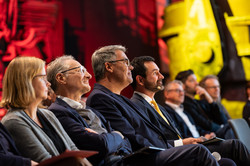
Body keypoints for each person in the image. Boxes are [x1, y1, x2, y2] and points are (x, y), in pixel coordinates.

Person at [86, 45, 223, 166]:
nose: (131, 67)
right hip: (139, 158)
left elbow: (148, 135)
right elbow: (131, 137)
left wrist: (179, 144)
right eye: (126, 62)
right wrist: (174, 147)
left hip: (155, 151)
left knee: (226, 160)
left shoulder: (121, 99)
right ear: (109, 67)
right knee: (198, 151)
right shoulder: (100, 98)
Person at [129, 56, 249, 166]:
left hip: (187, 145)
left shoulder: (159, 107)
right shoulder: (136, 106)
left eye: (160, 72)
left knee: (234, 147)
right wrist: (183, 143)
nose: (162, 76)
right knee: (230, 153)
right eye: (155, 73)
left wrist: (191, 140)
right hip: (172, 153)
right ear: (140, 80)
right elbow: (151, 141)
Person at [0, 56, 91, 165]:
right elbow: (46, 161)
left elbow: (73, 149)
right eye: (43, 78)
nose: (48, 83)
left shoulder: (48, 114)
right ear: (26, 81)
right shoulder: (13, 121)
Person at [47, 55, 132, 166]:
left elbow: (127, 142)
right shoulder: (57, 112)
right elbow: (98, 145)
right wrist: (117, 136)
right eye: (81, 71)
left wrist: (112, 138)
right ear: (61, 78)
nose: (89, 76)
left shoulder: (91, 110)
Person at [175, 69, 235, 139]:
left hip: (213, 133)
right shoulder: (185, 104)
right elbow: (203, 123)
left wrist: (209, 98)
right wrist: (222, 127)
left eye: (196, 80)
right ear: (182, 86)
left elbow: (223, 119)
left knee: (231, 126)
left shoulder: (197, 102)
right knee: (230, 127)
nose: (196, 83)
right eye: (192, 81)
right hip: (207, 135)